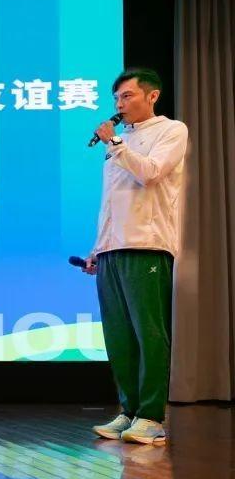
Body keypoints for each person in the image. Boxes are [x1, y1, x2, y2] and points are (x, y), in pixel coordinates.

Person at [82, 68, 188, 446]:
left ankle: (152, 417)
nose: (119, 104)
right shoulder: (121, 143)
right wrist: (98, 249)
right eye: (116, 98)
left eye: (127, 96)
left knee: (149, 334)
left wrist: (115, 143)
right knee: (119, 337)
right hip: (113, 249)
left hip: (147, 246)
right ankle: (128, 411)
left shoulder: (171, 130)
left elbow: (151, 173)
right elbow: (112, 204)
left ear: (152, 96)